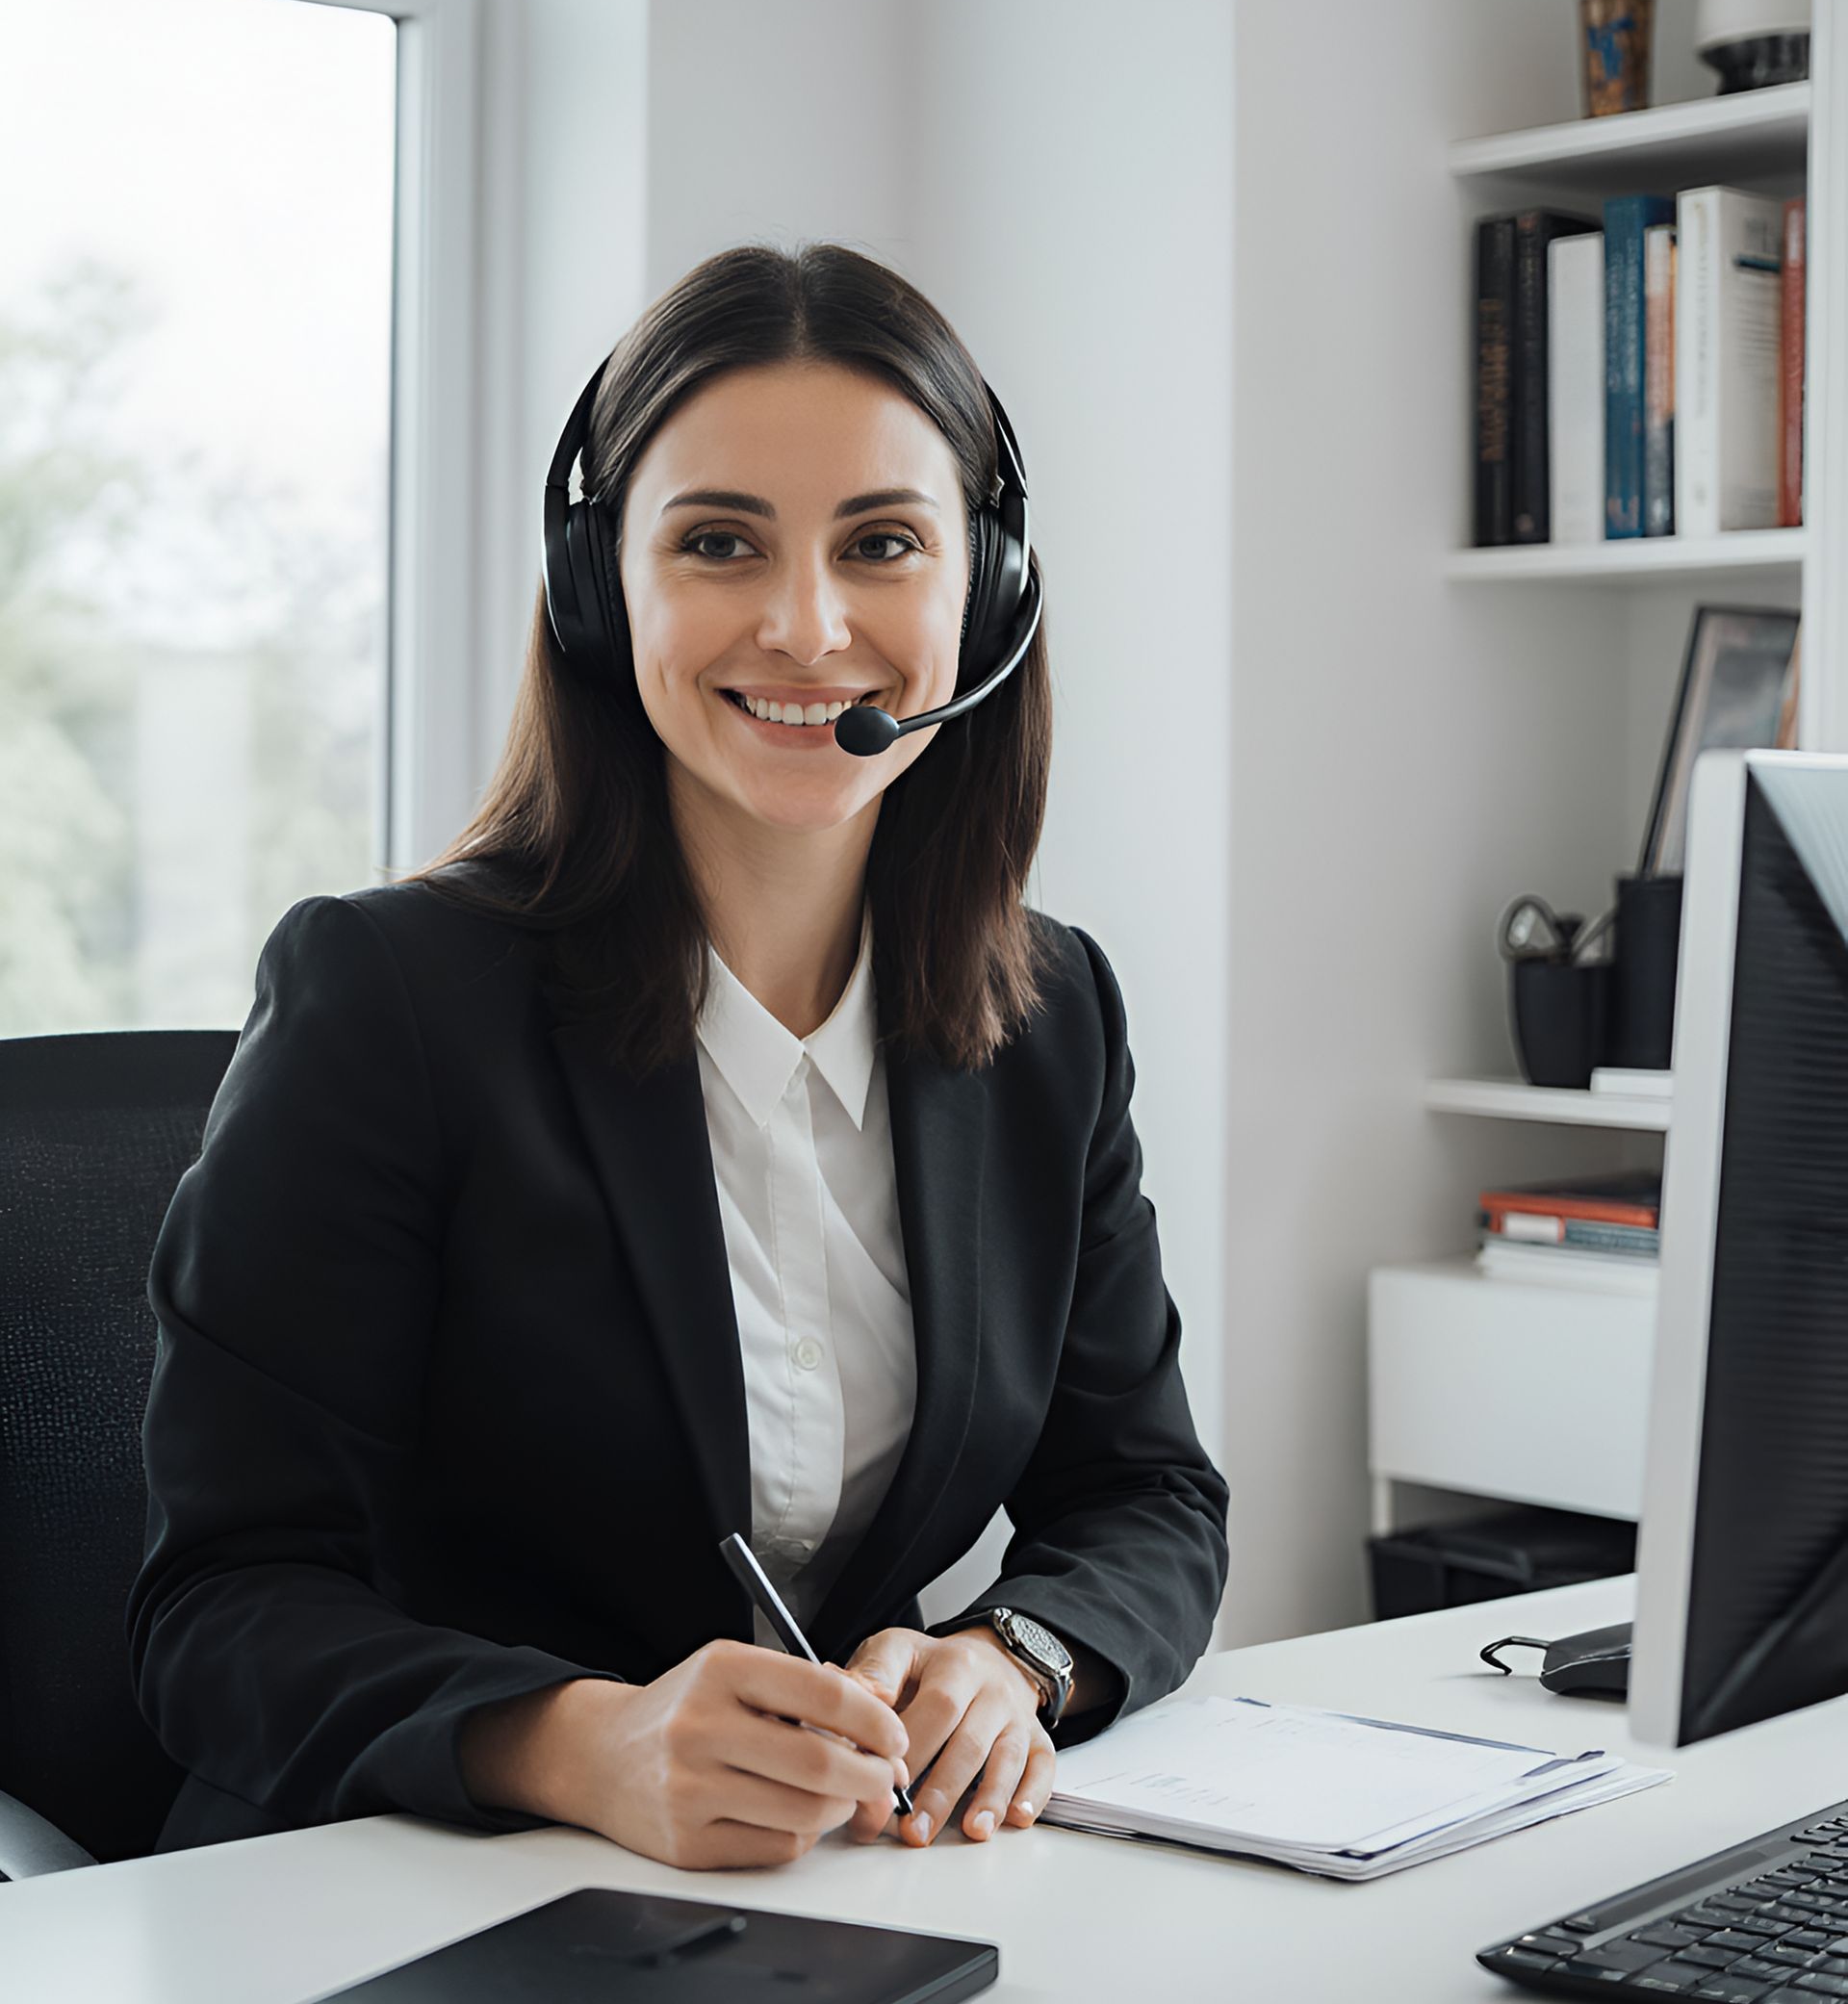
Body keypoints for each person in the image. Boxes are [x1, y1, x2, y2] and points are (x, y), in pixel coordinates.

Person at [127, 242, 1229, 1872]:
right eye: (720, 543)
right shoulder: (391, 998)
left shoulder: (1049, 1018)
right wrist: (583, 1743)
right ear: (603, 589)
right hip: (397, 1896)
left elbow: (1146, 1497)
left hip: (833, 1898)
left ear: (982, 595)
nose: (806, 626)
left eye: (884, 545)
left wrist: (1017, 1659)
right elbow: (217, 1610)